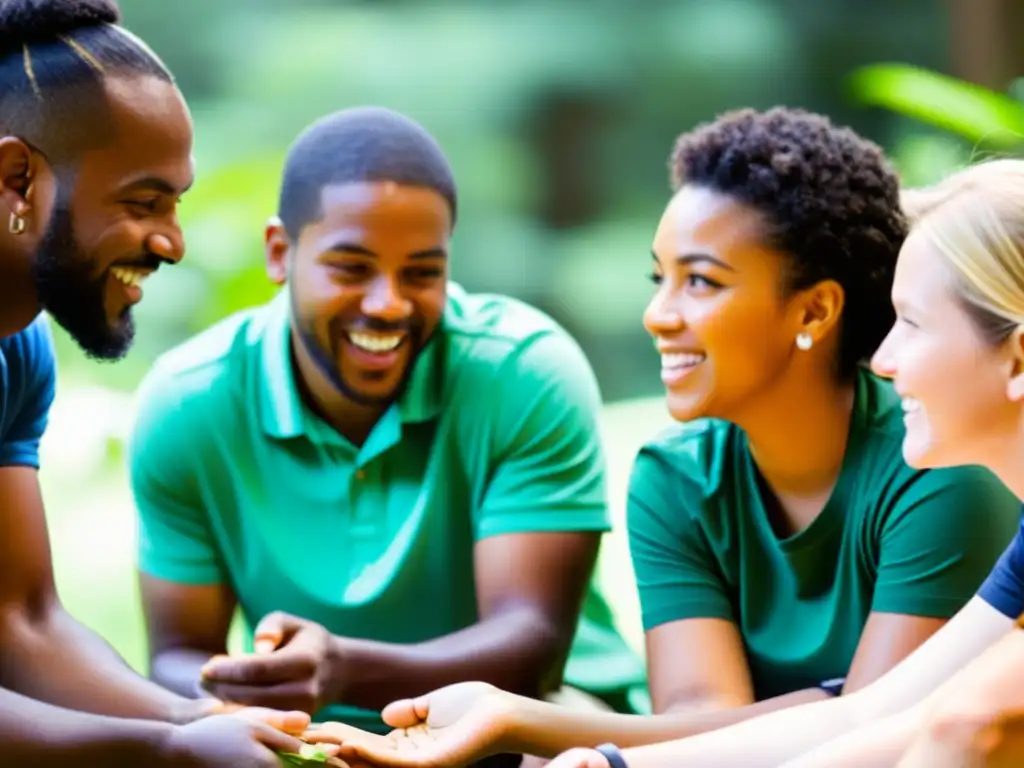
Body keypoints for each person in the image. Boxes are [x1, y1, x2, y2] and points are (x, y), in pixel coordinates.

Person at [301, 109, 1023, 768]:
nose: (658, 315)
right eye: (660, 278)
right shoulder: (677, 474)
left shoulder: (932, 463)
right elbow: (843, 713)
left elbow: (914, 732)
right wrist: (578, 749)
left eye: (701, 283)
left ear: (815, 310)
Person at [127, 105, 647, 763]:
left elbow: (530, 650)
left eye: (423, 272)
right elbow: (176, 656)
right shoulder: (188, 401)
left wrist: (342, 670)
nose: (388, 304)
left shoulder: (523, 372)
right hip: (313, 733)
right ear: (280, 253)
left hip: (543, 718)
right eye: (351, 268)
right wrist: (234, 695)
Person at [539, 158, 1024, 767]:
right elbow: (872, 716)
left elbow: (958, 727)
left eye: (914, 325)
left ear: (1018, 359)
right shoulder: (676, 471)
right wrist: (619, 764)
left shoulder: (936, 479)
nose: (884, 357)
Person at [0, 0, 326, 765]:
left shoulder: (19, 353)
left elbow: (24, 623)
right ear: (18, 178)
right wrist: (165, 749)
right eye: (143, 203)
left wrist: (198, 719)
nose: (171, 242)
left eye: (175, 204)